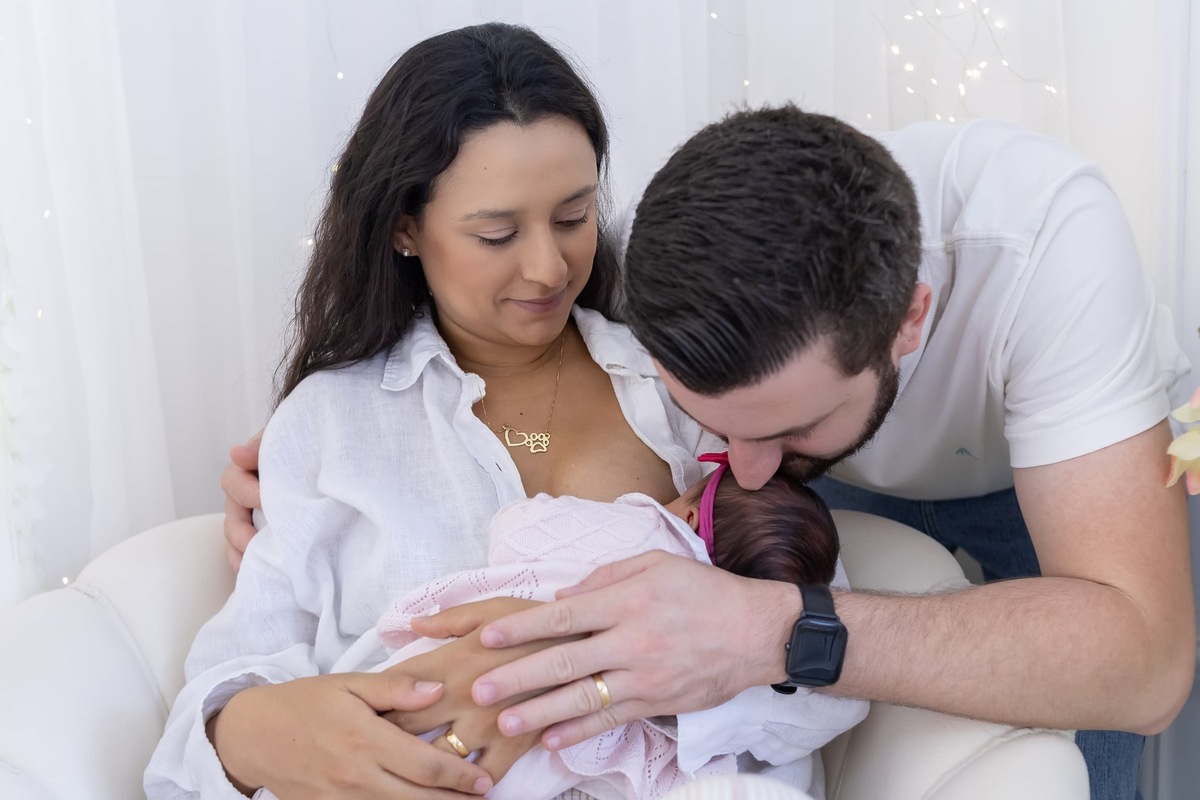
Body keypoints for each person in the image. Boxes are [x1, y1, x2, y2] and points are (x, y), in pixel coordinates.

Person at [361, 107, 1189, 800]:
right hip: (846, 491)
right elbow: (528, 417)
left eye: (789, 429)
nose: (743, 470)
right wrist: (341, 446)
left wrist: (773, 630)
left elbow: (1147, 669)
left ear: (910, 321)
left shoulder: (1045, 242)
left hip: (1062, 478)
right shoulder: (688, 267)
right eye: (711, 423)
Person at [149, 25, 862, 800]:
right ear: (403, 227)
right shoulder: (330, 424)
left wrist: (607, 682)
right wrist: (266, 731)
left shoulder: (685, 390)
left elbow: (833, 669)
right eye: (497, 233)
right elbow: (212, 711)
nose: (548, 267)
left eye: (572, 216)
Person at [367, 458, 860, 800]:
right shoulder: (764, 625)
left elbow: (515, 529)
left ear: (689, 512)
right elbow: (835, 689)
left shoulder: (643, 528)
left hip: (459, 668)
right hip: (572, 752)